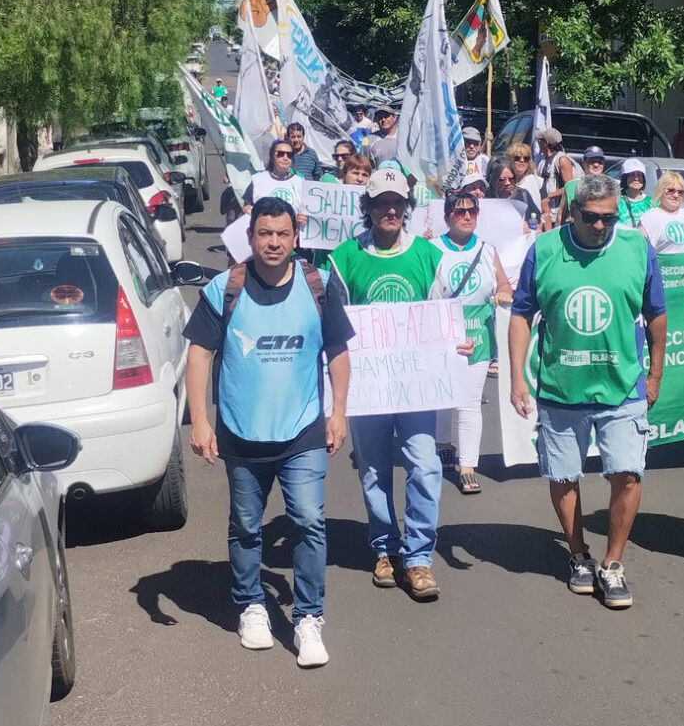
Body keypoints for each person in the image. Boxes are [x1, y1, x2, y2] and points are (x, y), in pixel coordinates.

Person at [184, 197, 354, 668]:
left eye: (282, 234)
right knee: (245, 526)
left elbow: (338, 352)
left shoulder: (317, 287)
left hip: (302, 429)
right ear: (251, 237)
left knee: (308, 521)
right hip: (241, 432)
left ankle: (307, 618)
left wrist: (338, 413)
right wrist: (200, 420)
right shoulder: (226, 288)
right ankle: (252, 606)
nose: (273, 242)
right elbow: (199, 354)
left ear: (295, 237)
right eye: (264, 233)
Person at [509, 173, 667, 609]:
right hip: (562, 386)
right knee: (563, 475)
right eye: (592, 218)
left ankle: (612, 563)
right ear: (573, 211)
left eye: (610, 219)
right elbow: (522, 313)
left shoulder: (637, 248)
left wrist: (655, 372)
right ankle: (578, 553)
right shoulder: (544, 250)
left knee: (628, 474)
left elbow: (656, 313)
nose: (601, 227)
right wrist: (517, 376)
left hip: (623, 386)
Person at [327, 166, 473, 600]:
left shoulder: (429, 257)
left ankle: (419, 557)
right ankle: (384, 548)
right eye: (381, 203)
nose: (390, 210)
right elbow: (334, 321)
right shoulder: (345, 257)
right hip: (367, 386)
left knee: (425, 465)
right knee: (372, 468)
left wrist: (455, 343)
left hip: (416, 387)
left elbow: (443, 313)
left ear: (406, 208)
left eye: (397, 203)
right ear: (368, 208)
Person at [430, 190, 513, 493]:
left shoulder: (487, 250)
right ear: (448, 215)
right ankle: (442, 444)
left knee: (469, 400)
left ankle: (467, 465)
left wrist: (504, 291)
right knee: (444, 396)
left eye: (472, 211)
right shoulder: (432, 248)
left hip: (478, 332)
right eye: (459, 211)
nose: (466, 216)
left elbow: (503, 283)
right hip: (442, 332)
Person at [242, 139, 308, 228]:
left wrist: (303, 218)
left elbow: (307, 211)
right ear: (273, 157)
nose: (285, 158)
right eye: (280, 154)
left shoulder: (300, 182)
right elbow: (246, 206)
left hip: (290, 237)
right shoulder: (258, 180)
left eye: (289, 155)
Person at [638, 171, 684, 254]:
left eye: (681, 192)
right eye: (671, 190)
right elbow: (639, 250)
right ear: (660, 191)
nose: (676, 195)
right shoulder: (649, 217)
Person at [535, 127, 582, 225]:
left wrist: (548, 196)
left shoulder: (562, 160)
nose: (538, 142)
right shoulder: (542, 161)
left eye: (540, 140)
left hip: (557, 215)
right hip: (543, 212)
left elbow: (569, 187)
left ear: (546, 143)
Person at [488, 158, 542, 228]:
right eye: (502, 179)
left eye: (511, 178)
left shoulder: (523, 195)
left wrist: (530, 228)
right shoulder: (487, 198)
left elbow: (538, 221)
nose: (507, 183)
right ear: (494, 179)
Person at [559, 146, 607, 219]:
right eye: (592, 161)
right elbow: (560, 216)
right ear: (583, 162)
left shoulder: (612, 186)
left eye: (600, 161)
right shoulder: (571, 186)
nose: (596, 165)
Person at [617, 158, 652, 226]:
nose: (636, 178)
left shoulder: (652, 202)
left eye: (639, 175)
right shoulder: (616, 201)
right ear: (625, 178)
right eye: (632, 175)